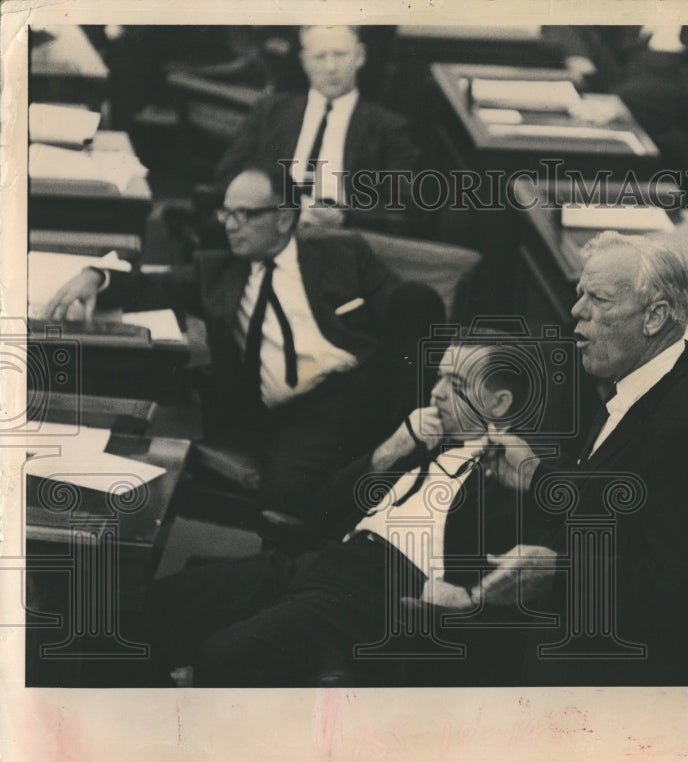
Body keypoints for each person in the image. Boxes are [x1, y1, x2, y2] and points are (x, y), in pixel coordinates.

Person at [144, 335, 557, 686]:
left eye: (456, 383)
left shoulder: (518, 476)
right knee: (160, 605)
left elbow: (520, 577)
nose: (436, 392)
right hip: (320, 562)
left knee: (223, 657)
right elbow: (320, 514)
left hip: (378, 593)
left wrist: (468, 597)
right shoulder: (421, 442)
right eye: (440, 376)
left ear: (499, 403)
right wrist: (388, 452)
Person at [43, 164, 437, 517]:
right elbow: (151, 286)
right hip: (300, 412)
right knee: (284, 497)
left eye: (244, 215)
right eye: (226, 212)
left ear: (283, 218)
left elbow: (403, 318)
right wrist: (98, 276)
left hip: (366, 386)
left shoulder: (342, 253)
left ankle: (414, 440)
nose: (230, 225)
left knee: (418, 298)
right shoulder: (218, 273)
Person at [486, 231, 688, 685]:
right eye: (580, 294)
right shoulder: (638, 382)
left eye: (600, 299)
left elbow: (677, 590)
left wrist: (558, 573)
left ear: (655, 316)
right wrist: (537, 478)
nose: (577, 310)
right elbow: (619, 502)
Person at [214, 25, 419, 234]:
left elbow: (402, 206)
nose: (331, 67)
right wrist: (272, 205)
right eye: (320, 57)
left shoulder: (388, 128)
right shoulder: (269, 112)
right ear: (304, 62)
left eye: (340, 55)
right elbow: (227, 176)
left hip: (342, 238)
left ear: (360, 56)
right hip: (272, 233)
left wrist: (343, 217)